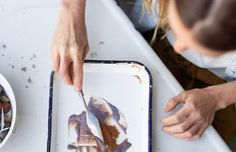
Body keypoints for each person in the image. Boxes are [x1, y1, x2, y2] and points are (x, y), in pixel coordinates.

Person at [51, 0, 236, 141]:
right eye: (181, 29)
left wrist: (218, 97)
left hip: (220, 81)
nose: (178, 46)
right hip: (149, 23)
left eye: (201, 45)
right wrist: (71, 14)